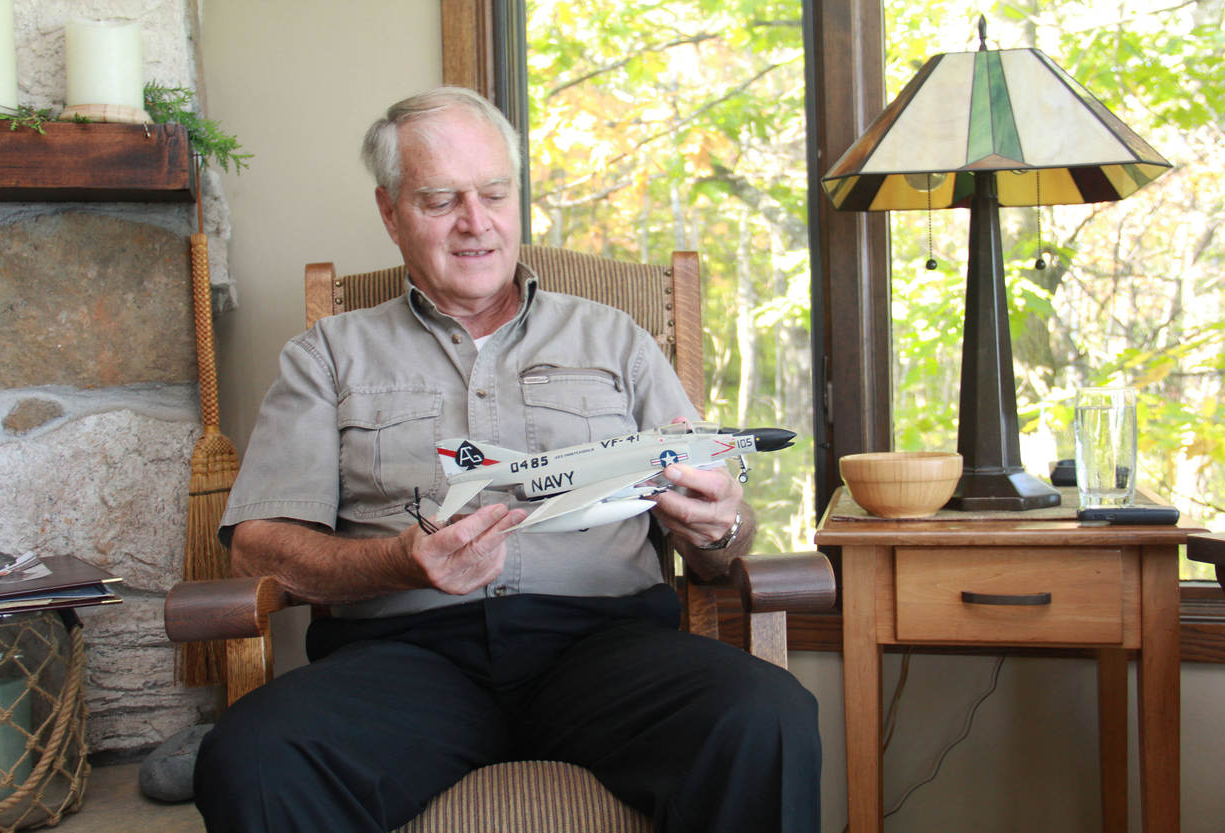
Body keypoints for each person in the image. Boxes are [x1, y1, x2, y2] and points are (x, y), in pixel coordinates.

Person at [193, 86, 821, 833]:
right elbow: (258, 548)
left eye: (494, 194)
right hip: (405, 662)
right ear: (390, 212)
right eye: (440, 201)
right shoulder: (328, 354)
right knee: (251, 755)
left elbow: (720, 549)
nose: (476, 222)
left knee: (767, 715)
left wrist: (721, 528)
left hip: (608, 651)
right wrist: (398, 562)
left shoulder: (617, 340)